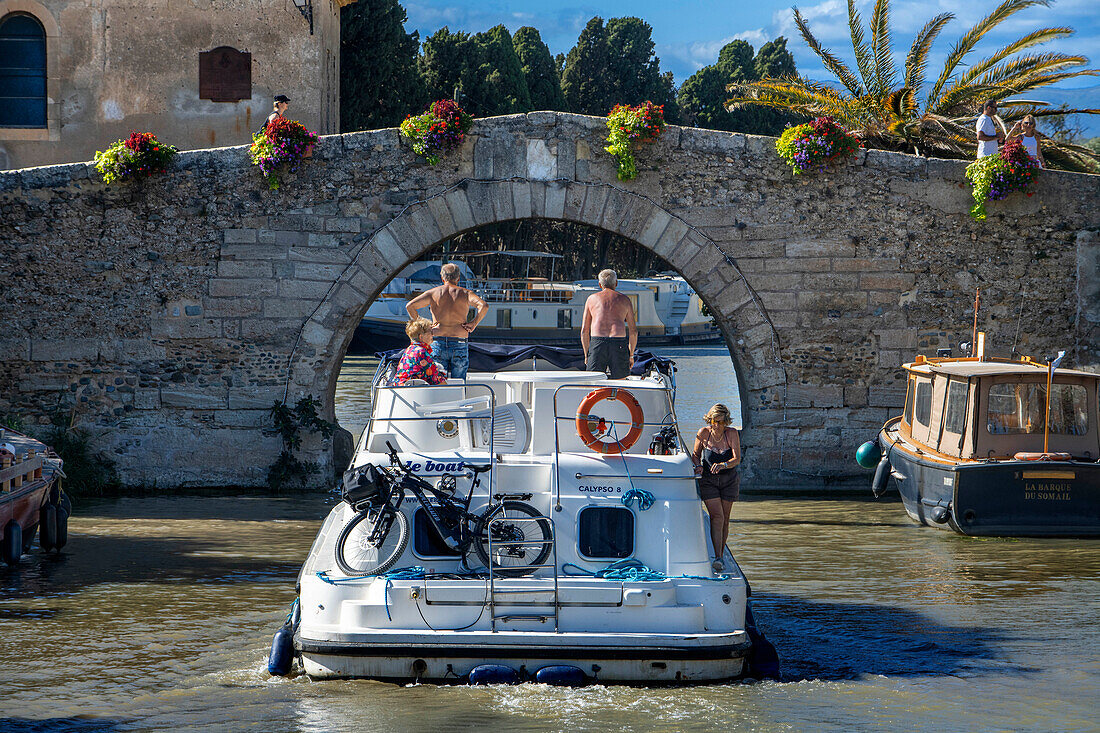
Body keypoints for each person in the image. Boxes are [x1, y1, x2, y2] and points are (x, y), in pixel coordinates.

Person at [405, 262, 488, 380]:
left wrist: (424, 327)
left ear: (442, 278)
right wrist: (473, 323)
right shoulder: (465, 293)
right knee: (459, 381)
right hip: (459, 341)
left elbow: (410, 306)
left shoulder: (433, 293)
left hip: (437, 341)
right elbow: (484, 306)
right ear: (458, 278)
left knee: (436, 380)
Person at [692, 404, 741, 574]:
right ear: (710, 420)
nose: (717, 425)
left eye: (721, 422)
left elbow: (737, 459)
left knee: (725, 518)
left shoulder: (731, 434)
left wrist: (723, 465)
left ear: (726, 422)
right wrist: (698, 466)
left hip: (729, 480)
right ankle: (717, 557)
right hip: (708, 480)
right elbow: (695, 455)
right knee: (717, 516)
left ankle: (720, 554)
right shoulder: (703, 433)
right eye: (714, 421)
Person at [580, 269, 637, 379]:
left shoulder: (591, 299)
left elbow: (584, 331)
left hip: (598, 342)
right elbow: (633, 331)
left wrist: (587, 355)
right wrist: (631, 355)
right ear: (616, 283)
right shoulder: (625, 300)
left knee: (594, 381)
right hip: (618, 343)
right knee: (620, 381)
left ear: (599, 284)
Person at [393, 318, 447, 385]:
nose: (432, 335)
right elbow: (435, 377)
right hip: (412, 389)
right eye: (430, 332)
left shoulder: (409, 349)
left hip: (401, 386)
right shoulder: (421, 352)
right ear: (421, 337)